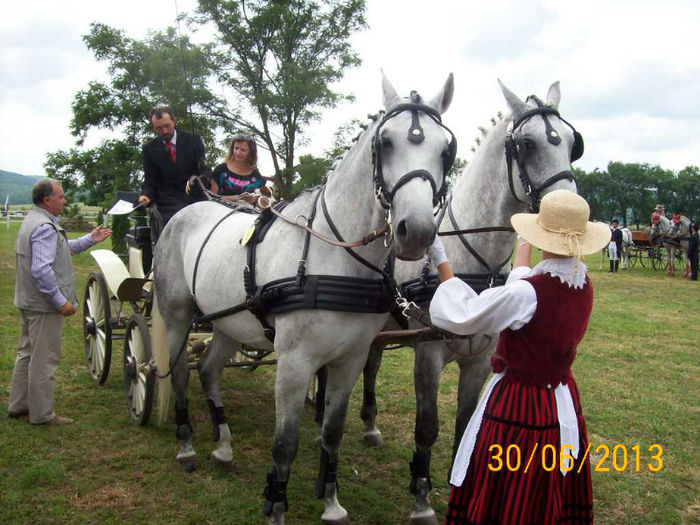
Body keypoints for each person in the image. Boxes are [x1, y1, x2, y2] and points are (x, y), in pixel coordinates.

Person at [428, 190, 610, 525]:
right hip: (560, 399)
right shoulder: (582, 283)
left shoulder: (527, 293)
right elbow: (523, 284)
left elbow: (464, 315)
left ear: (543, 235)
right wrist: (523, 247)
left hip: (519, 405)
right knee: (547, 479)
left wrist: (441, 260)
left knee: (510, 484)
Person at [8, 179, 112, 425]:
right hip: (43, 305)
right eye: (61, 196)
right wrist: (59, 301)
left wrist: (90, 238)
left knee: (26, 353)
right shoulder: (44, 226)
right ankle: (42, 414)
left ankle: (18, 405)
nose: (64, 201)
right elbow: (41, 270)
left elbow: (60, 249)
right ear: (47, 200)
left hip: (27, 300)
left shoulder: (33, 220)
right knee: (45, 359)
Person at [137, 106, 208, 227]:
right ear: (153, 128)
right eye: (159, 128)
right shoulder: (149, 149)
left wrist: (205, 180)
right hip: (167, 202)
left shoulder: (193, 140)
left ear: (174, 121)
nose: (164, 131)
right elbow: (150, 180)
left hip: (195, 195)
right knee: (178, 221)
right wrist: (145, 196)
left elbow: (204, 169)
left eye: (167, 126)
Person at [210, 134, 267, 206]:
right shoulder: (221, 170)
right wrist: (237, 198)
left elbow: (262, 203)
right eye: (236, 148)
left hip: (246, 214)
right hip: (220, 212)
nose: (238, 152)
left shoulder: (256, 176)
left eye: (243, 150)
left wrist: (253, 200)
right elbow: (211, 198)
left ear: (250, 153)